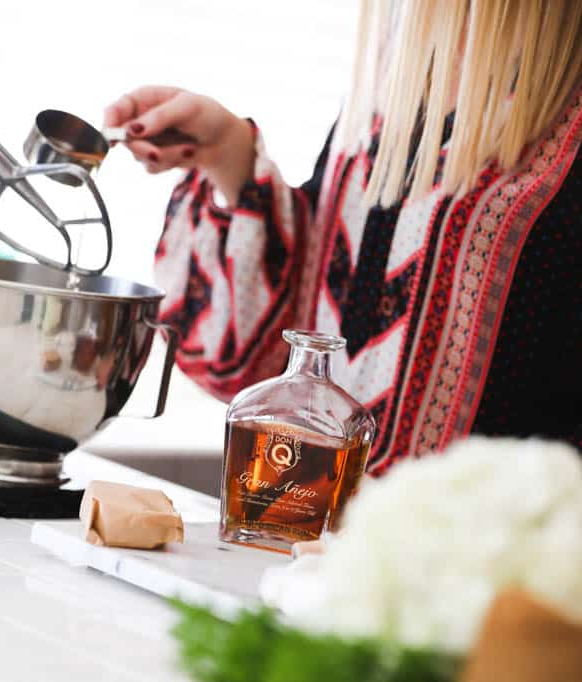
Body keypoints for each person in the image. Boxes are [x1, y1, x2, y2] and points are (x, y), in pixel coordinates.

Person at [104, 0, 582, 475]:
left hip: (496, 544)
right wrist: (229, 158)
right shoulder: (387, 91)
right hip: (321, 539)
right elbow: (298, 343)